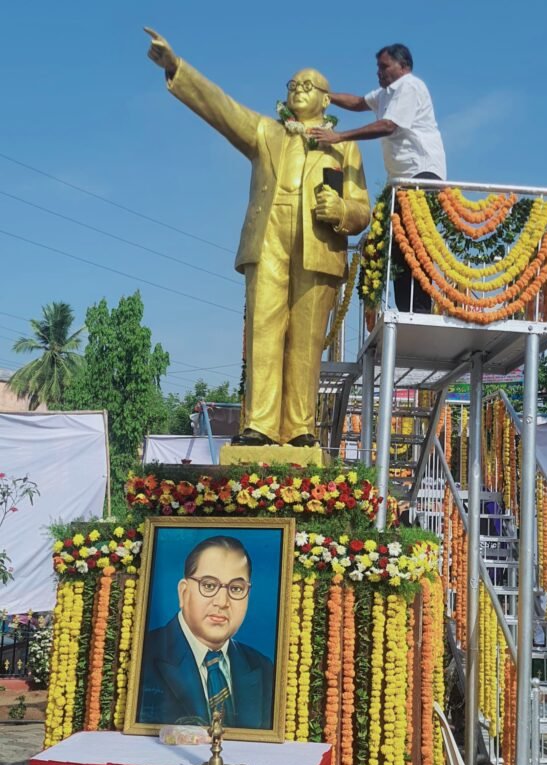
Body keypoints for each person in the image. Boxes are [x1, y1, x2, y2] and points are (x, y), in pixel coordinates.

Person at [145, 28, 370, 448]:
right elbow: (222, 108)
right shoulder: (266, 131)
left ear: (326, 100)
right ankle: (261, 424)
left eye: (309, 85)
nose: (298, 89)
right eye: (293, 84)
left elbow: (362, 209)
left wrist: (341, 210)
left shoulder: (345, 147)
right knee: (263, 330)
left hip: (318, 245)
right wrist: (177, 67)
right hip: (268, 238)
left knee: (306, 339)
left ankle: (300, 427)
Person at [310, 43, 446, 313]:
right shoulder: (385, 94)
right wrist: (326, 96)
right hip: (401, 182)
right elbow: (359, 102)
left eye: (384, 67)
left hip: (421, 174)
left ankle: (419, 309)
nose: (379, 72)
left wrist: (339, 136)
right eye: (378, 67)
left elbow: (388, 125)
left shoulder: (409, 86)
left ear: (403, 67)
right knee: (399, 244)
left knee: (416, 243)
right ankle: (407, 309)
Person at [137, 535, 274, 728]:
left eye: (236, 588)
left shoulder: (263, 667)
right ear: (183, 593)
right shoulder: (143, 656)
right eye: (209, 585)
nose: (222, 602)